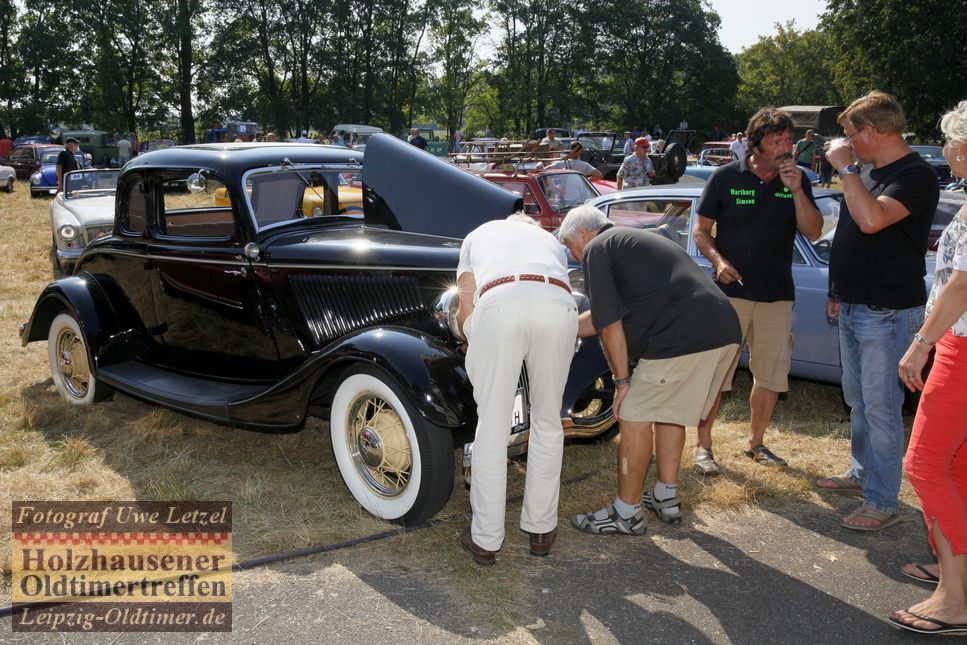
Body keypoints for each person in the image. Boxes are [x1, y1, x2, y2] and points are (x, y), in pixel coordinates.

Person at [560, 205, 740, 534]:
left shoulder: (598, 249)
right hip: (722, 329)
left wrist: (622, 380)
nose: (573, 255)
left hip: (680, 336)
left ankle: (626, 513)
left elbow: (609, 325)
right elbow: (603, 316)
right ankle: (665, 496)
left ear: (583, 235)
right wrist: (560, 327)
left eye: (570, 246)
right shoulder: (636, 242)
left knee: (632, 413)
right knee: (669, 412)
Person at [817, 90, 940, 531]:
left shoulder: (915, 175)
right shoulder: (870, 172)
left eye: (851, 135)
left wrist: (847, 169)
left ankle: (882, 500)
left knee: (883, 407)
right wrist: (837, 288)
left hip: (888, 313)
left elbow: (871, 220)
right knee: (859, 401)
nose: (847, 144)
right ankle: (862, 471)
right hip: (853, 304)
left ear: (871, 132)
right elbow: (852, 228)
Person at [692, 108, 823, 475]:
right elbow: (701, 231)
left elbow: (813, 231)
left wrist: (796, 189)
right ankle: (704, 446)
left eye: (787, 140)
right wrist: (717, 261)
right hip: (730, 293)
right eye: (776, 141)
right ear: (755, 145)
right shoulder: (725, 178)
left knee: (770, 375)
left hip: (777, 294)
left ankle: (755, 442)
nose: (785, 147)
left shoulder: (798, 180)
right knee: (717, 375)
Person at [456, 213, 578, 565]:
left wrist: (473, 340)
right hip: (556, 303)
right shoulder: (550, 242)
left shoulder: (478, 232)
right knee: (547, 421)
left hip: (500, 300)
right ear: (531, 227)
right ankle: (541, 529)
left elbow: (466, 307)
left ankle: (485, 540)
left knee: (492, 427)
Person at [889, 100, 967, 635]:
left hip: (961, 350)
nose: (944, 151)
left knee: (922, 466)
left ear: (961, 148)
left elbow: (961, 284)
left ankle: (955, 600)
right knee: (954, 467)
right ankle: (952, 571)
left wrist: (921, 343)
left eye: (947, 142)